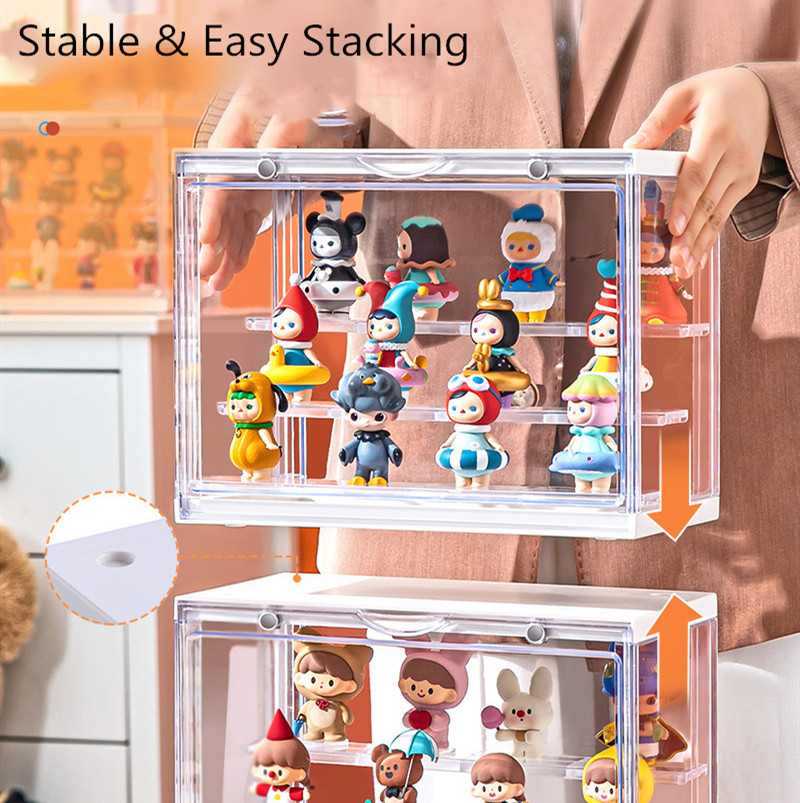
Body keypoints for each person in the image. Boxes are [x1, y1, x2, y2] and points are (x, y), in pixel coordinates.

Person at [195, 0, 799, 653]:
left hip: (720, 487)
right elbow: (262, 95)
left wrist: (776, 105)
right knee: (437, 711)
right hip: (431, 493)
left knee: (703, 713)